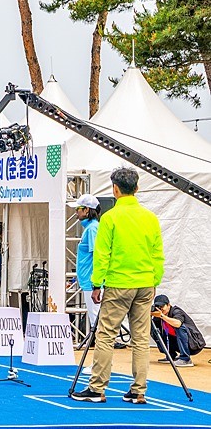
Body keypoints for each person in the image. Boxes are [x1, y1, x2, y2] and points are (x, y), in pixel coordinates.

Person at [71, 167, 165, 405]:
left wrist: (96, 284)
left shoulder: (110, 218)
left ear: (115, 189)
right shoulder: (150, 218)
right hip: (145, 283)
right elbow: (157, 254)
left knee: (105, 335)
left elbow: (102, 255)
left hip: (118, 283)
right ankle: (138, 390)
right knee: (141, 339)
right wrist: (155, 281)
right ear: (137, 188)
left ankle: (97, 387)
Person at [71, 194, 101, 329]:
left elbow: (98, 255)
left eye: (78, 209)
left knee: (96, 317)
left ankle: (104, 346)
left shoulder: (92, 228)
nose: (76, 212)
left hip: (91, 281)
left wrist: (96, 284)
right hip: (89, 280)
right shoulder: (90, 228)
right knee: (95, 316)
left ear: (87, 210)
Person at [152, 294, 205, 367]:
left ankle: (185, 359)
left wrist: (162, 316)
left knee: (180, 327)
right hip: (177, 343)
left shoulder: (176, 311)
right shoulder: (159, 316)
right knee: (154, 329)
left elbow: (177, 324)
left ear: (168, 305)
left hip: (193, 344)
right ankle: (171, 356)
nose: (160, 309)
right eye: (157, 307)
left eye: (162, 306)